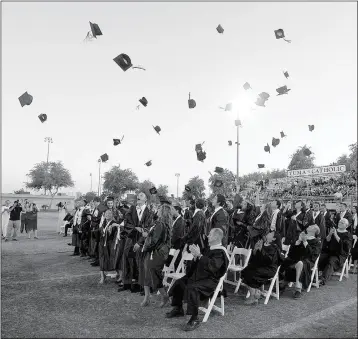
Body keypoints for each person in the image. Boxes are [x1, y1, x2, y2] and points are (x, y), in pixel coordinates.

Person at [165, 228, 230, 332]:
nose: (207, 236)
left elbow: (213, 267)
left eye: (210, 234)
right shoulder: (209, 248)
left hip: (211, 281)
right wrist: (195, 257)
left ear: (216, 237)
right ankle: (178, 308)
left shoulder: (220, 252)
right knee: (180, 281)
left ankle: (194, 319)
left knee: (192, 287)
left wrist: (199, 255)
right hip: (201, 277)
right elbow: (199, 263)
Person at [140, 203, 172, 307]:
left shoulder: (160, 224)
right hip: (153, 252)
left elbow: (154, 241)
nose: (156, 210)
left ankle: (165, 296)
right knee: (146, 272)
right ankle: (147, 297)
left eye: (158, 209)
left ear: (162, 212)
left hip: (157, 252)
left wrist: (146, 236)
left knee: (154, 274)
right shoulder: (158, 223)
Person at [279, 224, 321, 299]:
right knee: (288, 261)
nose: (308, 226)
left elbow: (312, 255)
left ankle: (295, 287)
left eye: (310, 226)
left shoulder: (317, 242)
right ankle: (290, 284)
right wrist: (298, 241)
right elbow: (291, 253)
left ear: (315, 230)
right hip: (295, 259)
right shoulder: (301, 237)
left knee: (300, 263)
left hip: (308, 261)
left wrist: (305, 242)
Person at [241, 231, 282, 305]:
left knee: (251, 273)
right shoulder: (262, 243)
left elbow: (269, 261)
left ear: (273, 238)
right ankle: (255, 293)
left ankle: (253, 296)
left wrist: (261, 250)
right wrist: (255, 250)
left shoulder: (274, 247)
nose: (268, 233)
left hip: (269, 269)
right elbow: (256, 259)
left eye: (270, 234)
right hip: (260, 267)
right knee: (244, 271)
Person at [318, 218, 352, 285]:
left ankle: (323, 279)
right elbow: (327, 241)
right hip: (329, 251)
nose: (340, 223)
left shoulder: (348, 234)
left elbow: (345, 246)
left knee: (331, 260)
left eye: (342, 223)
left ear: (346, 226)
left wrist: (336, 235)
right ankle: (314, 275)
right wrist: (330, 234)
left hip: (340, 254)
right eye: (339, 222)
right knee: (320, 257)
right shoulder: (334, 231)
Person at [132, 192, 154, 295]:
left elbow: (147, 229)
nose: (138, 199)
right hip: (136, 239)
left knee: (145, 265)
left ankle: (148, 287)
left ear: (145, 200)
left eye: (141, 197)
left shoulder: (149, 212)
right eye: (138, 197)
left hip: (145, 242)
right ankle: (141, 285)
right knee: (139, 263)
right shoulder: (136, 210)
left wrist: (139, 243)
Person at [98, 208, 121, 284]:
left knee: (114, 260)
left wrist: (110, 231)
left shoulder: (114, 223)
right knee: (101, 259)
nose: (107, 215)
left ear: (112, 215)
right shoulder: (104, 222)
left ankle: (120, 275)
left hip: (111, 244)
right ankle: (102, 276)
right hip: (103, 244)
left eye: (109, 214)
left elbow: (115, 235)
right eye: (106, 214)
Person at [89, 197, 105, 267]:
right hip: (96, 227)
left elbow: (97, 218)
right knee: (95, 244)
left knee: (97, 244)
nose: (93, 203)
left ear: (97, 201)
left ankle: (97, 260)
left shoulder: (100, 208)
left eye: (94, 202)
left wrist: (91, 218)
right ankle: (96, 258)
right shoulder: (99, 207)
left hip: (98, 227)